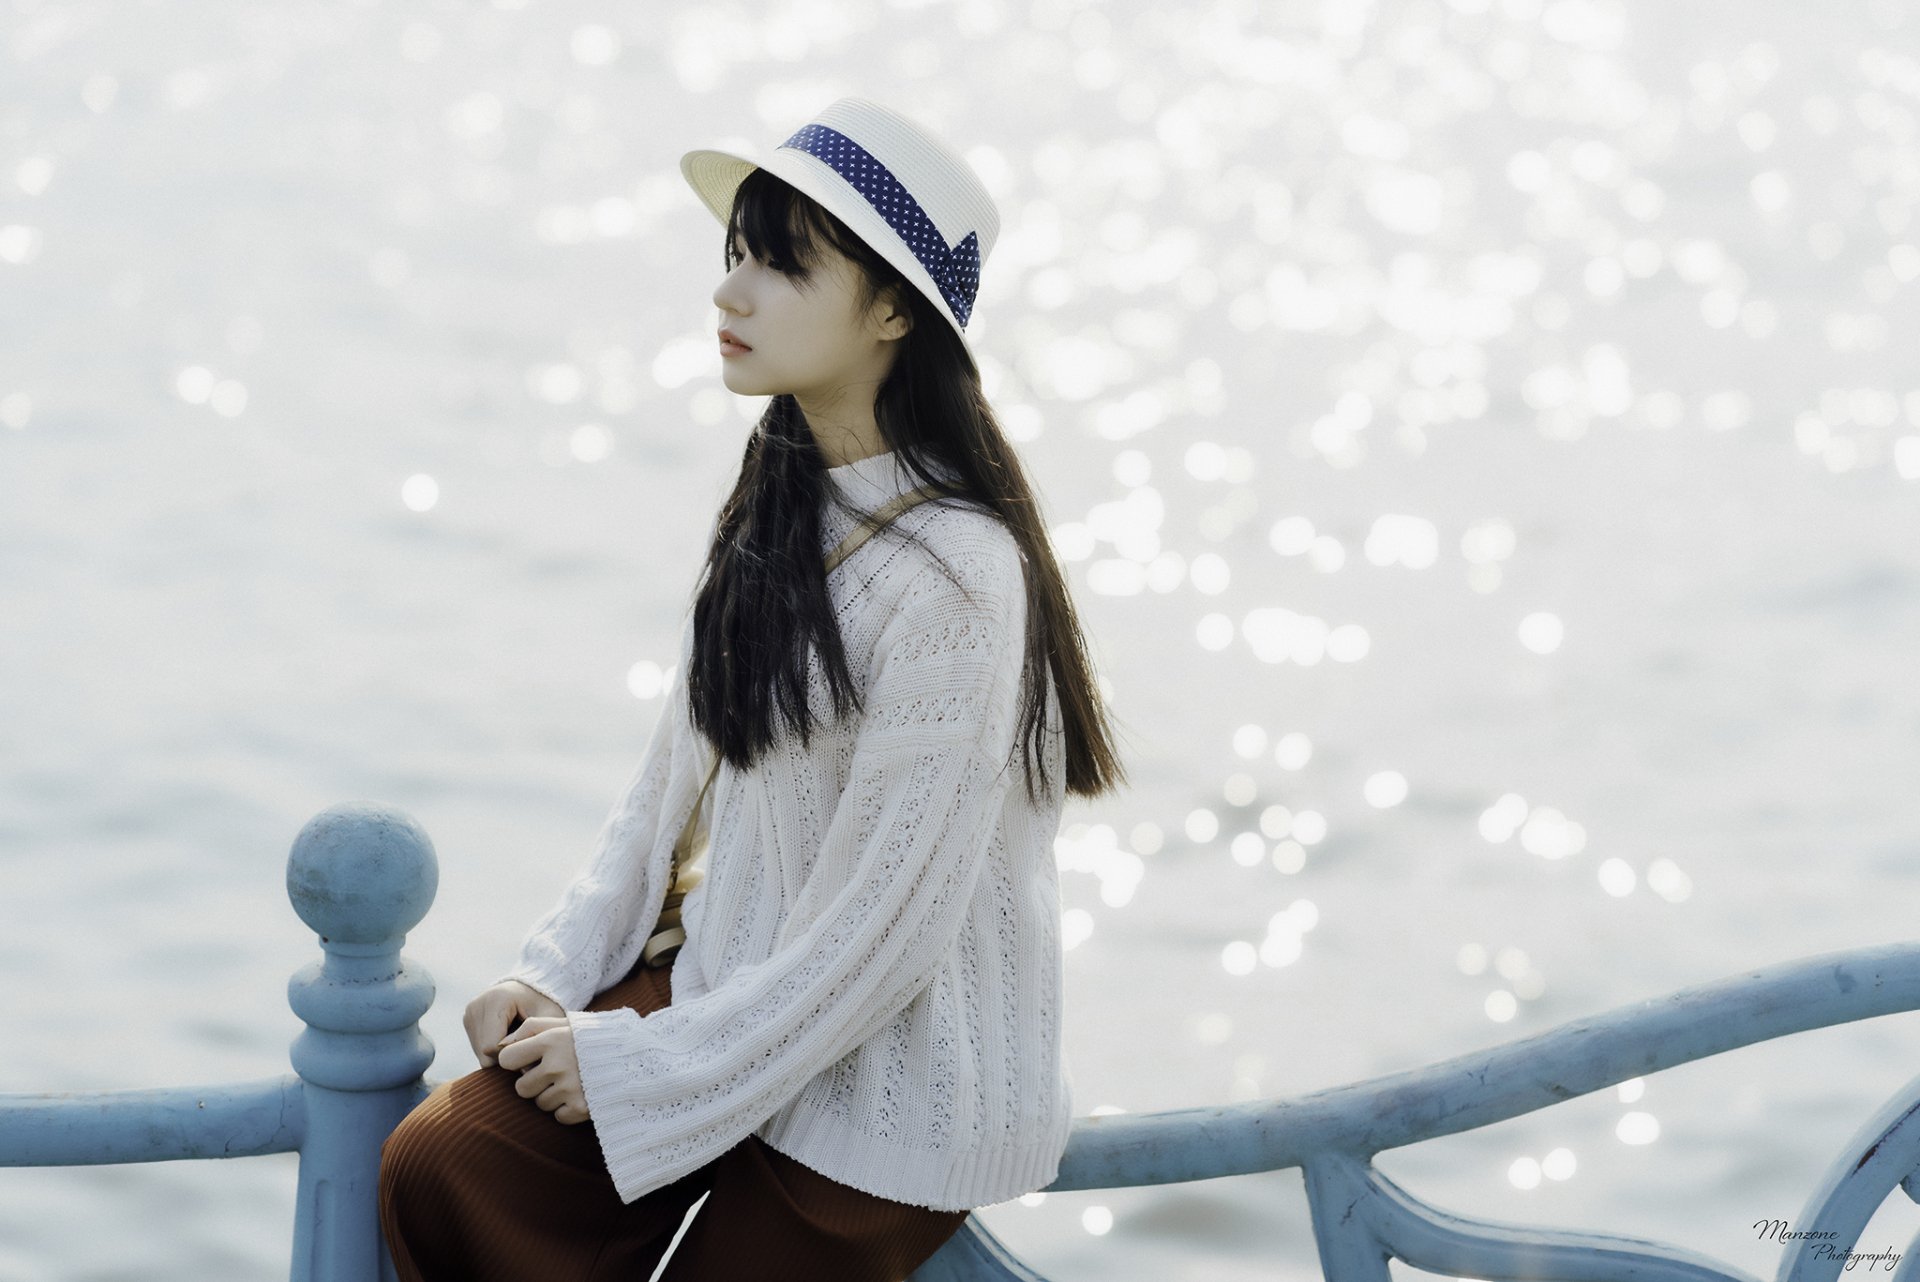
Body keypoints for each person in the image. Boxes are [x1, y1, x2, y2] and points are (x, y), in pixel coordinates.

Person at [377, 95, 1129, 1282]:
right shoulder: (778, 497)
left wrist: (640, 1065)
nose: (729, 293)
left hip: (895, 1080)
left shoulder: (963, 577)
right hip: (733, 991)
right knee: (445, 1166)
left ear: (892, 309)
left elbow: (882, 942)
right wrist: (554, 969)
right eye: (732, 255)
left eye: (779, 265)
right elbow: (668, 786)